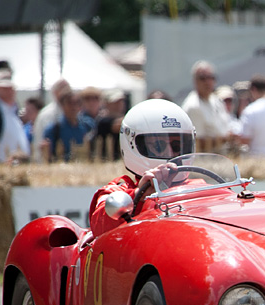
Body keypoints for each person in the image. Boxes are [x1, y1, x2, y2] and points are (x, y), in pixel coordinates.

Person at [89, 99, 196, 236]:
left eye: (177, 146)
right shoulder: (118, 192)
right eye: (158, 146)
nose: (171, 154)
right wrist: (139, 197)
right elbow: (99, 228)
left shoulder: (199, 186)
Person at [181, 60, 233, 152]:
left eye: (211, 77)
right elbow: (196, 141)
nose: (207, 82)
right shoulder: (193, 106)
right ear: (195, 80)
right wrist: (225, 139)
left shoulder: (216, 100)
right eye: (203, 78)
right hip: (205, 160)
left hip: (221, 157)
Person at [42, 90, 95, 162]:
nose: (74, 107)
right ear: (62, 105)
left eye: (77, 103)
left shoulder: (87, 126)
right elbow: (48, 156)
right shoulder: (54, 129)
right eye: (70, 103)